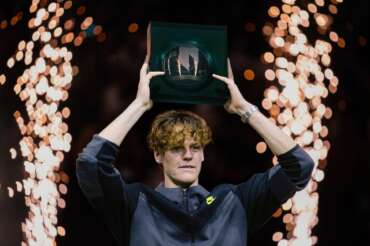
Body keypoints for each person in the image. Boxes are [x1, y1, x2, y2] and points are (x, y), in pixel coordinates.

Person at [76, 55, 315, 246]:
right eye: (177, 148)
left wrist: (244, 109)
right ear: (158, 155)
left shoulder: (233, 202)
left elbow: (299, 166)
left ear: (203, 154)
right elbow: (91, 164)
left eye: (195, 147)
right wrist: (139, 105)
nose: (188, 155)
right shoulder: (136, 203)